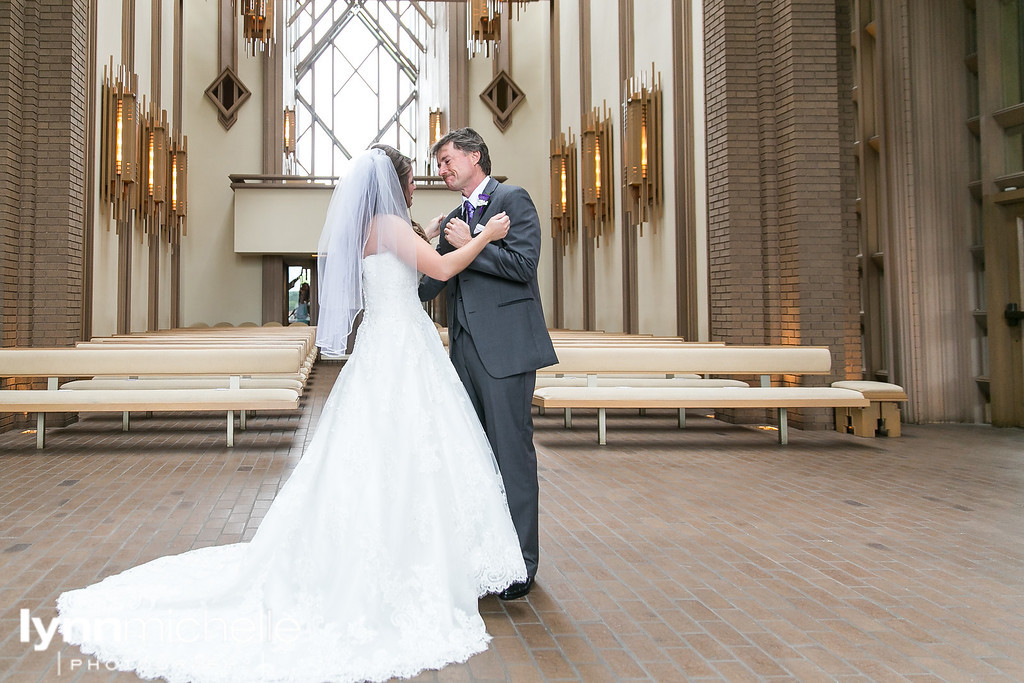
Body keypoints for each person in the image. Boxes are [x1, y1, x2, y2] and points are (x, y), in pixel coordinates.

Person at [56, 147, 527, 682]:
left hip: (386, 347)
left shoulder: (373, 227)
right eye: (411, 180)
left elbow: (408, 262)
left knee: (379, 453)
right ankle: (414, 562)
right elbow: (440, 266)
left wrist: (437, 228)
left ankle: (394, 554)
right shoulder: (392, 224)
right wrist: (485, 236)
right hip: (403, 350)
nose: (418, 187)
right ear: (395, 185)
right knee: (411, 452)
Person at [419, 128, 558, 600]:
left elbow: (523, 265)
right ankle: (485, 557)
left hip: (505, 349)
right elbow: (429, 284)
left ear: (475, 156)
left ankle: (521, 565)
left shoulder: (512, 198)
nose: (442, 169)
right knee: (475, 460)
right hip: (463, 352)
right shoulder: (456, 216)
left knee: (511, 456)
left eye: (447, 160)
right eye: (438, 164)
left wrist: (474, 240)